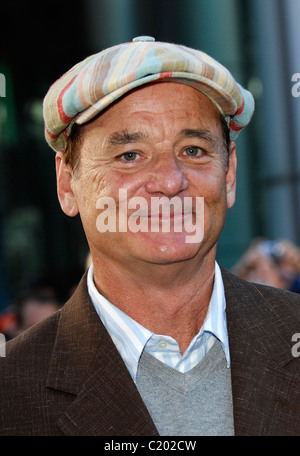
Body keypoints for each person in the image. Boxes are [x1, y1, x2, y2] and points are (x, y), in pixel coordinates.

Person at [1, 36, 300, 437]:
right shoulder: (11, 393)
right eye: (129, 155)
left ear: (229, 175)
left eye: (193, 150)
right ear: (67, 185)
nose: (170, 181)